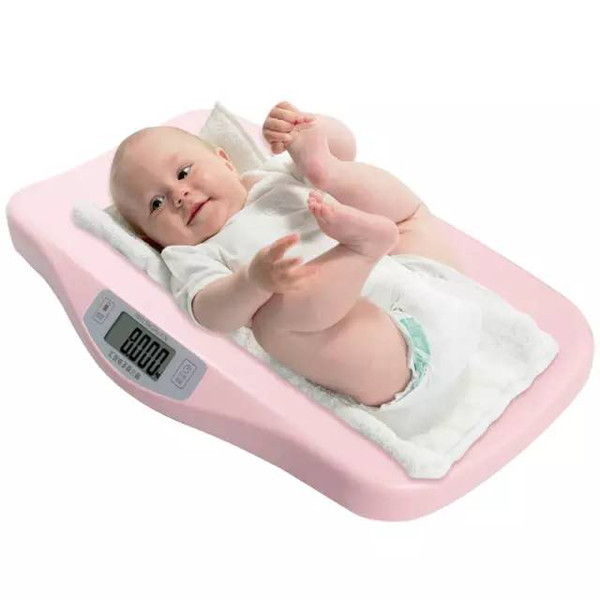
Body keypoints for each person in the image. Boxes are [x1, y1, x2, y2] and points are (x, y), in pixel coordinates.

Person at [109, 102, 462, 407]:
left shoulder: (271, 176)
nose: (179, 195)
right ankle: (359, 250)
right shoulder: (192, 254)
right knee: (272, 326)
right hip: (390, 353)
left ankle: (329, 174)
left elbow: (346, 147)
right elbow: (210, 313)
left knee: (387, 204)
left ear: (226, 162)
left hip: (425, 282)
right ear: (153, 240)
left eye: (184, 172)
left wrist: (309, 131)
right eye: (156, 204)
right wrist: (252, 282)